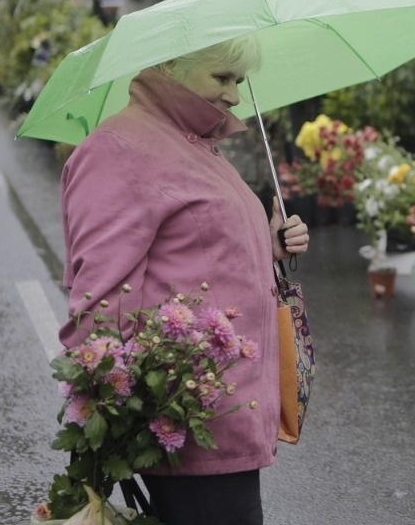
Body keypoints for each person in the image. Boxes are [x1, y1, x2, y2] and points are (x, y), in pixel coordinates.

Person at [58, 35, 310, 525]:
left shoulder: (195, 143)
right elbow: (97, 303)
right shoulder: (120, 150)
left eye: (238, 80)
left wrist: (268, 243)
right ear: (172, 64)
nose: (235, 95)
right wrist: (112, 418)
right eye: (221, 77)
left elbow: (196, 247)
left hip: (224, 413)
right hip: (184, 422)